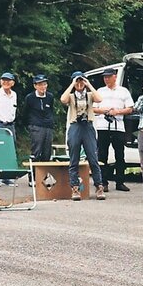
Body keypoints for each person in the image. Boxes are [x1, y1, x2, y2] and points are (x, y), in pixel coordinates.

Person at [59, 71, 105, 201]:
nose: (79, 84)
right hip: (75, 126)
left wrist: (88, 84)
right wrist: (73, 84)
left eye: (81, 81)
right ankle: (75, 188)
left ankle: (99, 186)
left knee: (93, 157)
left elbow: (99, 99)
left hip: (88, 127)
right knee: (74, 158)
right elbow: (63, 99)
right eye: (77, 82)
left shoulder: (90, 95)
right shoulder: (71, 96)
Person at [93, 67, 134, 192]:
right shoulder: (100, 91)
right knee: (102, 155)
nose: (106, 79)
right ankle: (102, 182)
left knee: (120, 155)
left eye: (109, 77)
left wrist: (118, 112)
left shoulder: (123, 91)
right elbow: (94, 108)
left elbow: (130, 108)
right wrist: (104, 111)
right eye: (105, 77)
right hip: (102, 126)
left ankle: (120, 181)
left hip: (118, 126)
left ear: (115, 76)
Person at [23, 74, 55, 163]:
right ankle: (33, 174)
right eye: (40, 84)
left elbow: (51, 110)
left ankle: (44, 175)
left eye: (44, 84)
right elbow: (25, 113)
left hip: (48, 126)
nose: (43, 87)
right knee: (36, 150)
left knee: (47, 152)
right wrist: (30, 125)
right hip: (35, 126)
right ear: (35, 86)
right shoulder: (30, 97)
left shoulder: (50, 96)